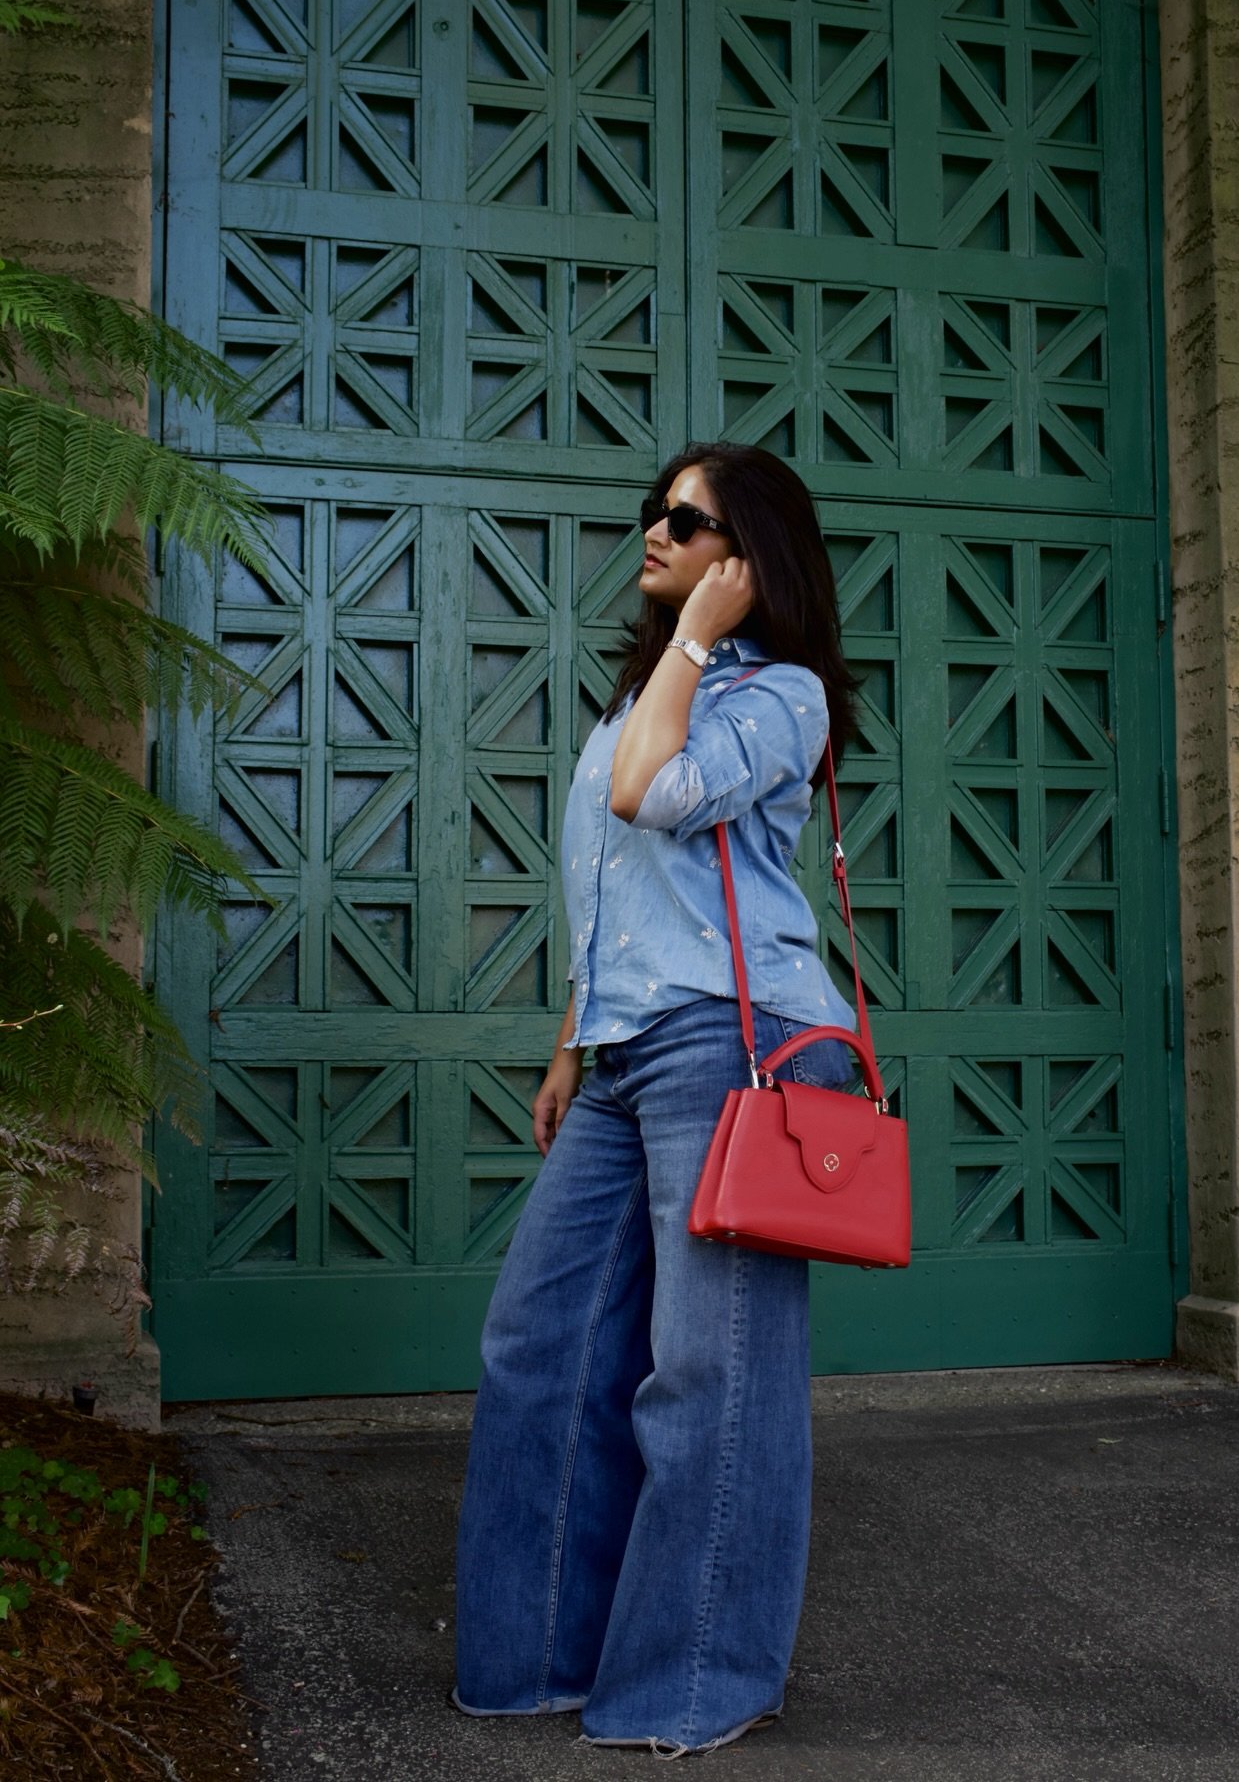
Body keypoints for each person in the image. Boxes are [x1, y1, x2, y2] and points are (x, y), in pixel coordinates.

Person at [451, 440, 860, 1757]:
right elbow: (611, 886)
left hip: (737, 1054)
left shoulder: (777, 695)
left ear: (746, 562)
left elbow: (647, 797)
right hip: (630, 1052)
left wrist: (693, 641)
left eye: (685, 521)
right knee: (540, 1346)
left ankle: (695, 1683)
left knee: (707, 1377)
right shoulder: (650, 697)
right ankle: (536, 1659)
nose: (656, 531)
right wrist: (573, 1042)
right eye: (655, 512)